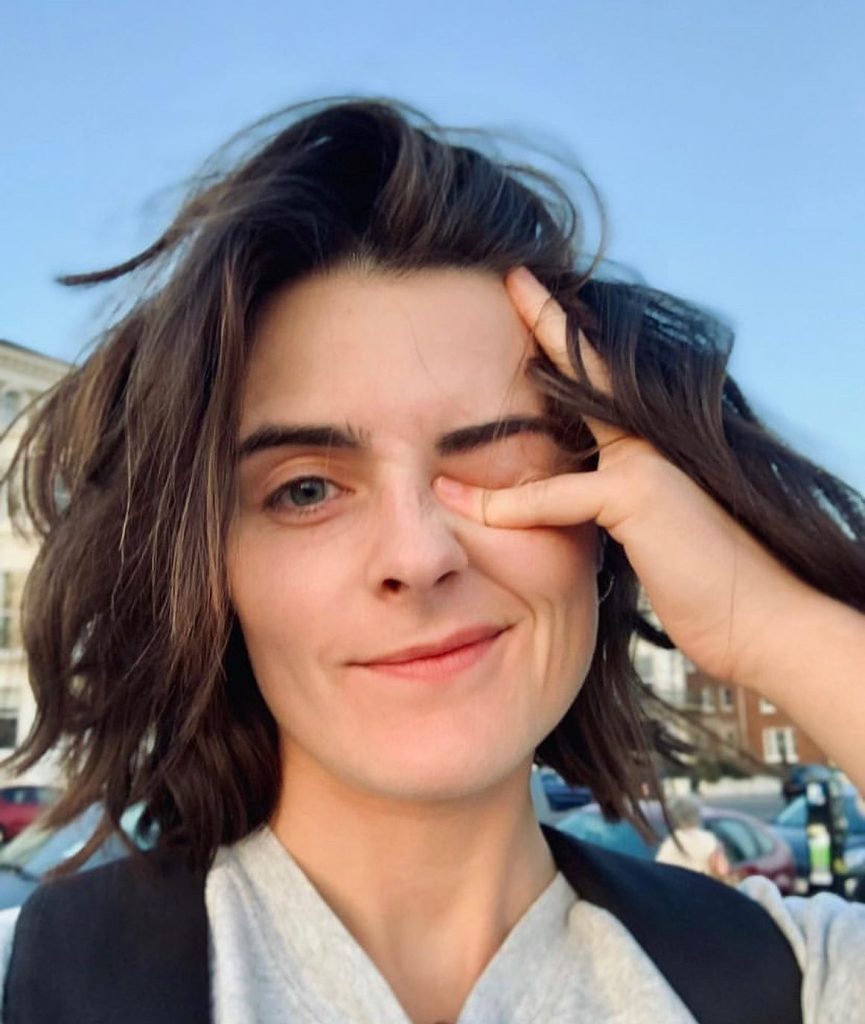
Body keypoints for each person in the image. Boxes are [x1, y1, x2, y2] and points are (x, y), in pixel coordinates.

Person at [1, 97, 864, 1024]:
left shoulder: (794, 978)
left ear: (609, 526)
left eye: (494, 458)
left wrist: (766, 624)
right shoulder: (33, 982)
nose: (417, 556)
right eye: (305, 490)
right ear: (209, 572)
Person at [655, 796, 730, 880]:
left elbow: (659, 871)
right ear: (696, 815)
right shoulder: (708, 839)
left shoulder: (671, 843)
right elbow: (722, 870)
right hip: (704, 884)